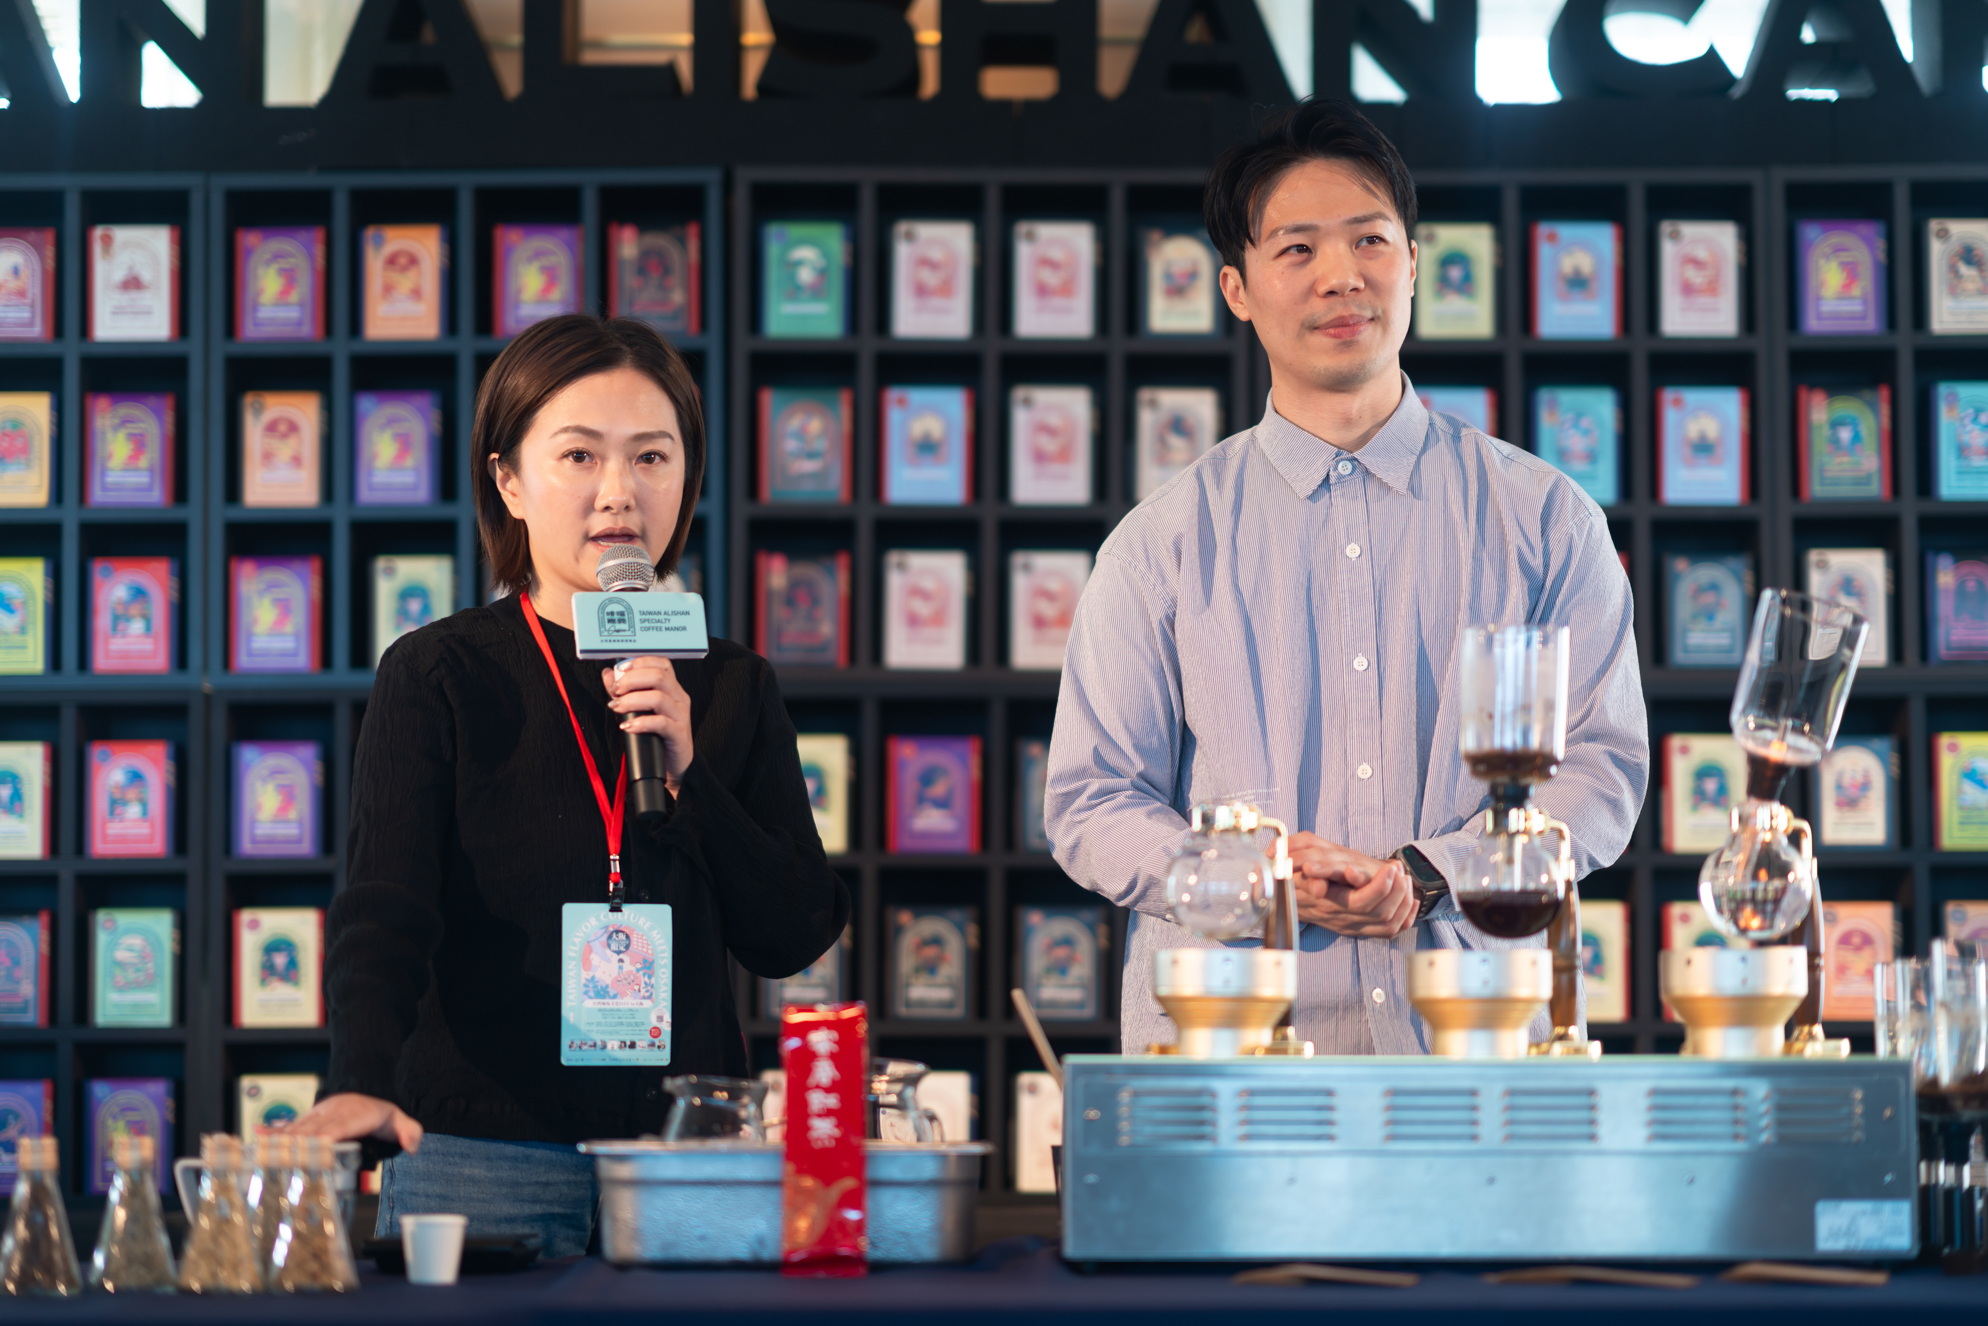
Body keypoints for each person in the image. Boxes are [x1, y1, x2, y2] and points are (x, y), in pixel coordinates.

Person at [1044, 99, 1648, 1055]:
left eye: (1370, 239)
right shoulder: (1161, 542)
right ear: (1237, 289)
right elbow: (1092, 800)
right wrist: (1257, 879)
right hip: (1231, 1055)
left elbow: (1601, 767)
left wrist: (1435, 872)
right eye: (1297, 250)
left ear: (1414, 261)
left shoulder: (1542, 518)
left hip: (1475, 1042)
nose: (1341, 276)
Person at [292, 314, 850, 1254]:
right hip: (482, 1149)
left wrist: (690, 777)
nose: (619, 491)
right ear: (508, 480)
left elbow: (793, 931)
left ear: (687, 478)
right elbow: (385, 905)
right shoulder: (439, 672)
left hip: (689, 1151)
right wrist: (358, 1077)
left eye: (652, 457)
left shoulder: (730, 683)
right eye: (581, 455)